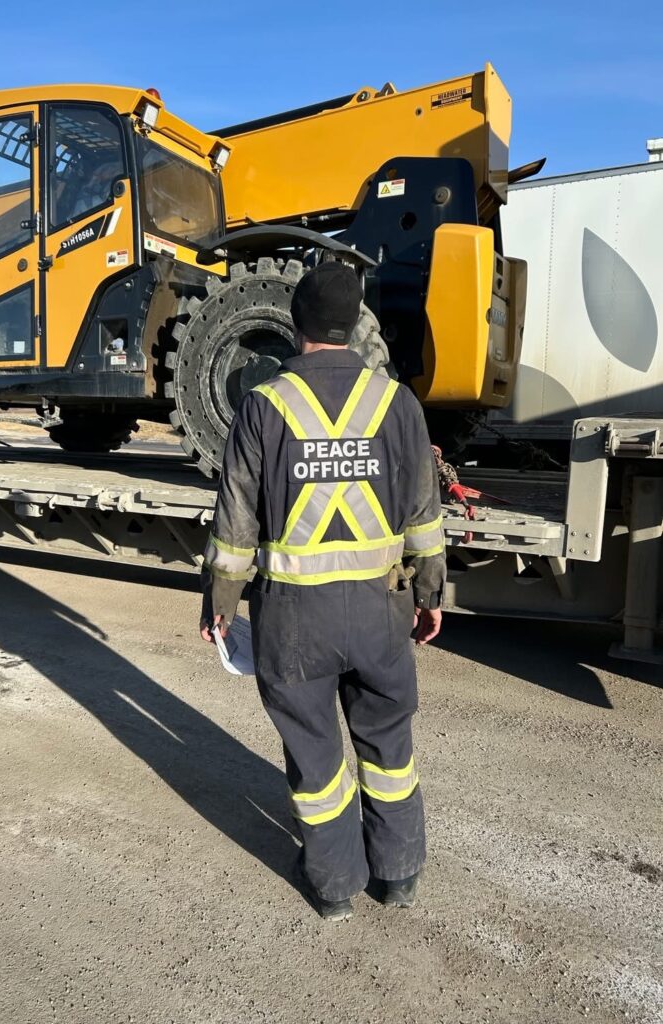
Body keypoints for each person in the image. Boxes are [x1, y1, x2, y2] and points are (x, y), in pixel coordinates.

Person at [200, 261, 446, 921]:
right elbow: (424, 513)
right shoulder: (398, 404)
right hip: (380, 611)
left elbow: (235, 523)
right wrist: (430, 595)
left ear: (296, 322)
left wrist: (220, 604)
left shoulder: (262, 405)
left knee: (315, 753)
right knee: (387, 744)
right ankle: (398, 874)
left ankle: (335, 887)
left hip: (294, 621)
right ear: (353, 323)